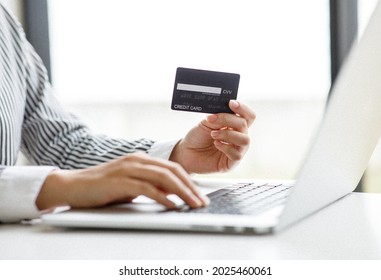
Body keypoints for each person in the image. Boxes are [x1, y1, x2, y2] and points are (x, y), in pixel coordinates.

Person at [0, 4, 255, 223]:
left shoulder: (5, 23)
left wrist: (176, 157)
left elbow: (62, 145)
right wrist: (58, 187)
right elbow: (70, 177)